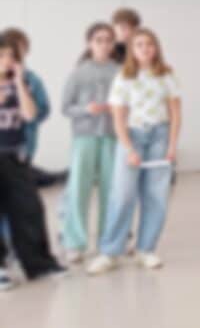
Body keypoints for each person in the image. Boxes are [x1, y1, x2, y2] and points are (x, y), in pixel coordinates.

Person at [87, 29, 182, 275]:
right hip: (132, 136)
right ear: (132, 50)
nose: (145, 49)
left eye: (150, 44)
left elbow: (175, 114)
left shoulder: (167, 75)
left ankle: (146, 249)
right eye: (139, 45)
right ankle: (110, 252)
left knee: (156, 196)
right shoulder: (124, 77)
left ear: (156, 48)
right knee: (123, 195)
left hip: (160, 137)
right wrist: (129, 148)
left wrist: (172, 146)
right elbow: (118, 118)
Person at [0, 34, 65, 290]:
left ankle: (39, 265)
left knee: (29, 210)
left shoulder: (22, 83)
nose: (7, 61)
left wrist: (17, 82)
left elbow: (30, 114)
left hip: (15, 155)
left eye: (12, 57)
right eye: (2, 56)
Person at [60, 23, 120, 263]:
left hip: (112, 137)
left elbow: (130, 104)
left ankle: (109, 242)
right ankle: (74, 243)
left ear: (113, 44)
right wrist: (87, 109)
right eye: (98, 39)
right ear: (89, 43)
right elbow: (65, 108)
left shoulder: (121, 71)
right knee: (78, 190)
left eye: (108, 40)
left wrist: (115, 110)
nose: (104, 44)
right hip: (84, 137)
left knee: (111, 191)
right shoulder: (78, 73)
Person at [0, 28, 50, 163]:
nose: (9, 59)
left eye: (16, 52)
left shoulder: (30, 80)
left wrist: (19, 83)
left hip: (19, 145)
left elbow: (38, 113)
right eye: (3, 54)